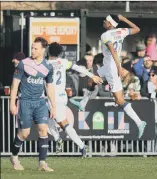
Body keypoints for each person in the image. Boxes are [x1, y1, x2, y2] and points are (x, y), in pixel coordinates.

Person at [46, 42, 103, 155]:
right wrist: (92, 75)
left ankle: (82, 146)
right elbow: (78, 68)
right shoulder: (63, 62)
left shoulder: (46, 64)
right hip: (61, 97)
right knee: (47, 120)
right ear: (60, 53)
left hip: (53, 97)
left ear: (48, 51)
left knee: (63, 123)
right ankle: (58, 140)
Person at [10, 37, 56, 171]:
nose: (33, 50)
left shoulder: (48, 66)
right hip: (25, 102)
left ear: (43, 50)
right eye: (32, 47)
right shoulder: (23, 64)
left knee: (43, 130)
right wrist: (12, 104)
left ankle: (42, 163)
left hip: (41, 103)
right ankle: (14, 157)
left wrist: (53, 106)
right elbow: (14, 85)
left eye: (36, 48)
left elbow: (50, 87)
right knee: (24, 133)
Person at [96, 14, 146, 138]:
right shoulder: (121, 31)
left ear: (110, 24)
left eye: (106, 21)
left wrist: (118, 67)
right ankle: (83, 102)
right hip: (107, 67)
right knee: (92, 79)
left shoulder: (105, 35)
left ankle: (139, 122)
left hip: (112, 69)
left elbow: (112, 50)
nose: (104, 21)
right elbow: (137, 29)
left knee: (119, 100)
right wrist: (123, 19)